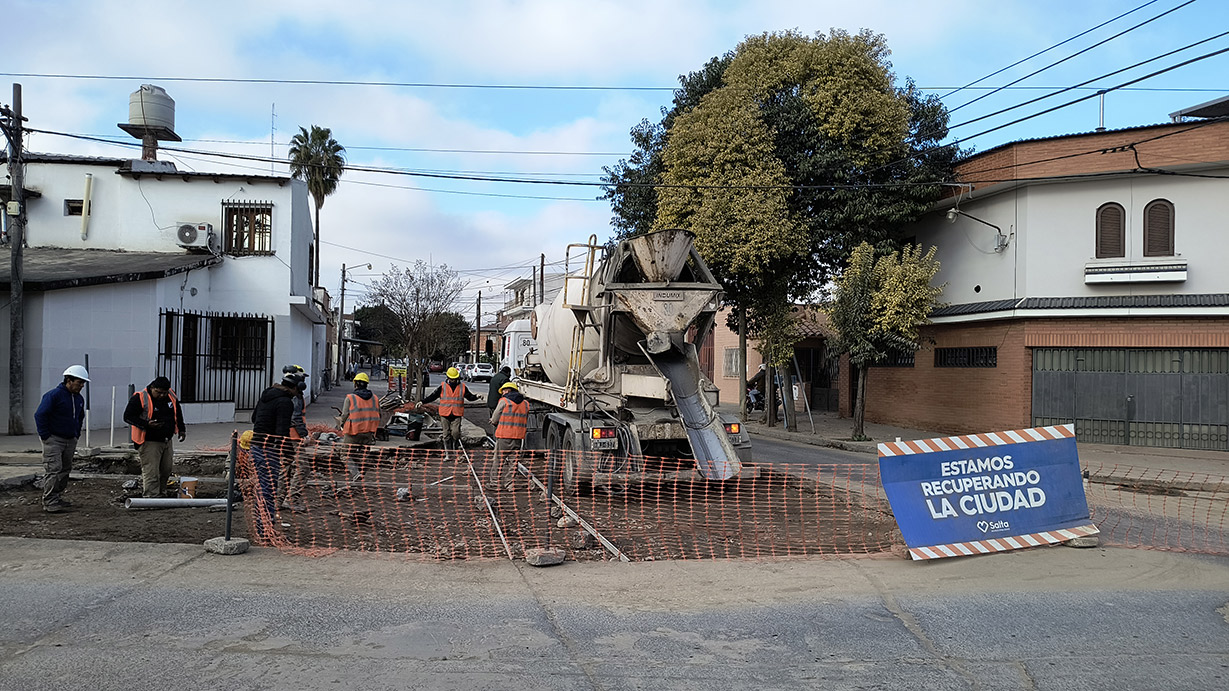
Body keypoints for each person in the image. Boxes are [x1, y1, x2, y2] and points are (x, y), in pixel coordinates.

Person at [33, 365, 89, 513]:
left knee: (65, 469)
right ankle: (49, 500)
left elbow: (79, 417)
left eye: (83, 383)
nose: (81, 386)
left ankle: (56, 497)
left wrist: (76, 433)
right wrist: (45, 435)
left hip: (70, 439)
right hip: (54, 439)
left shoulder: (78, 398)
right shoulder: (54, 395)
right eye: (79, 382)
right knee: (53, 469)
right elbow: (40, 415)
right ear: (69, 381)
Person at [123, 376, 187, 498]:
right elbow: (128, 416)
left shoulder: (171, 395)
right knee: (151, 471)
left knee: (166, 470)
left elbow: (177, 412)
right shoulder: (140, 397)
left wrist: (181, 429)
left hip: (166, 439)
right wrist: (146, 424)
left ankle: (162, 493)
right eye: (159, 393)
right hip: (149, 441)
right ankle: (151, 496)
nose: (162, 395)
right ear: (152, 387)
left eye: (164, 393)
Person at [250, 373, 297, 528]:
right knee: (268, 488)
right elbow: (282, 431)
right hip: (268, 448)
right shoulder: (285, 402)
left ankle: (264, 523)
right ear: (294, 387)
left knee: (263, 485)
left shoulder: (267, 395)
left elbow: (254, 418)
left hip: (256, 445)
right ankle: (264, 527)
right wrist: (289, 453)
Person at [419, 366, 480, 457]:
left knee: (455, 433)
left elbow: (469, 397)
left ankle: (455, 448)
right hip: (445, 414)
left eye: (455, 379)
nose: (453, 381)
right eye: (452, 379)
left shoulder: (462, 387)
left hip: (456, 414)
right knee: (446, 434)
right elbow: (433, 396)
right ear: (448, 378)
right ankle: (448, 453)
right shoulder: (442, 387)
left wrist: (476, 396)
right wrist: (422, 402)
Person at [338, 372, 380, 481]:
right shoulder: (375, 398)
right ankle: (362, 473)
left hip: (353, 431)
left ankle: (356, 473)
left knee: (345, 454)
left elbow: (344, 415)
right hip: (368, 432)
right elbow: (378, 414)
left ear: (355, 384)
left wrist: (342, 424)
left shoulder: (350, 398)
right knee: (363, 455)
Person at [281, 364, 312, 513]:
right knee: (304, 467)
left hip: (285, 435)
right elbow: (296, 417)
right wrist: (304, 434)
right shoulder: (295, 396)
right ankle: (291, 500)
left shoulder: (285, 392)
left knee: (284, 467)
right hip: (294, 437)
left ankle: (277, 500)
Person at [487, 381, 528, 492]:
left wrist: (493, 422)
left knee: (499, 460)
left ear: (507, 390)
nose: (502, 393)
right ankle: (510, 484)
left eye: (503, 391)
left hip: (504, 436)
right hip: (518, 437)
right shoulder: (525, 404)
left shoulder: (504, 401)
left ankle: (495, 483)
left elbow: (495, 418)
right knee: (513, 462)